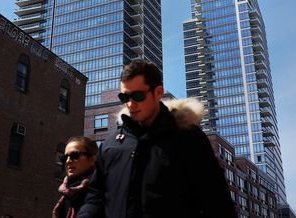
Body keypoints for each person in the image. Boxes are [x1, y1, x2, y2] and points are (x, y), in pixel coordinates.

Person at [78, 60, 237, 218]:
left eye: (138, 95)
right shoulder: (111, 144)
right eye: (124, 97)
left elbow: (216, 200)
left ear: (158, 92)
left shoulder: (189, 138)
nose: (131, 104)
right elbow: (95, 196)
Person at [52, 136, 99, 218]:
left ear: (92, 159)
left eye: (75, 155)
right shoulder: (66, 194)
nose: (68, 161)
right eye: (64, 157)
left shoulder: (100, 190)